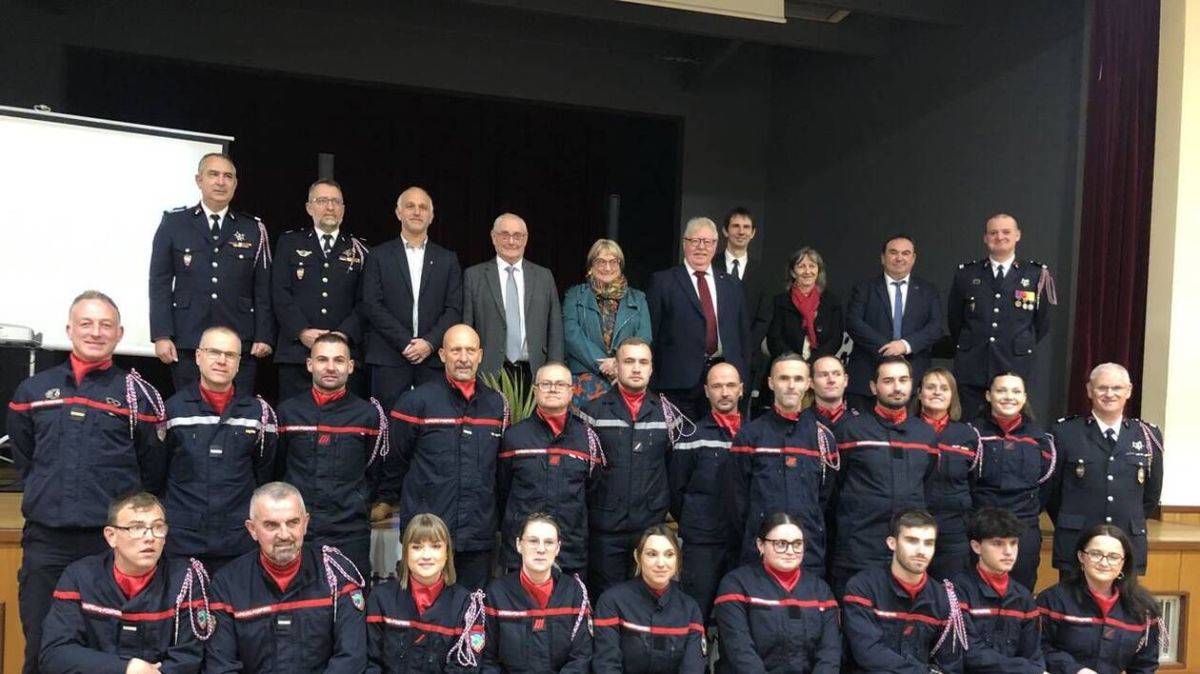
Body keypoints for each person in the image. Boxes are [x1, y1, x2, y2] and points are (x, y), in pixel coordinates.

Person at [8, 290, 166, 674]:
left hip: (109, 545)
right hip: (48, 544)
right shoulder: (32, 392)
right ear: (69, 329)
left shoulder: (139, 396)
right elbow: (25, 459)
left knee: (105, 650)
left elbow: (153, 470)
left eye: (105, 325)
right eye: (86, 323)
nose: (95, 332)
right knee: (44, 647)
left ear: (119, 333)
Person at [382, 324, 508, 591]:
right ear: (441, 355)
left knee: (472, 612)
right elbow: (396, 461)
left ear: (480, 355)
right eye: (456, 350)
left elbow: (500, 470)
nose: (463, 357)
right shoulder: (415, 402)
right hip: (428, 536)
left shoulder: (497, 405)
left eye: (470, 350)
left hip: (478, 534)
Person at [39, 492, 210, 674]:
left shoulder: (187, 579)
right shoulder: (79, 577)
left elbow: (190, 658)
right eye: (137, 528)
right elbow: (55, 654)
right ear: (111, 536)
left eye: (158, 527)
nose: (150, 537)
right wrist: (126, 668)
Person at [205, 482, 367, 673]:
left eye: (293, 523)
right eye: (271, 525)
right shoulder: (227, 584)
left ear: (305, 523)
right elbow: (221, 666)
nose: (284, 534)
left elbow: (351, 657)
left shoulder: (337, 573)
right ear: (252, 529)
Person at [149, 152, 274, 392]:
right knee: (189, 412)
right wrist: (162, 334)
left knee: (237, 414)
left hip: (239, 339)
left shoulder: (253, 228)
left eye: (228, 176)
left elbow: (262, 287)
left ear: (235, 184)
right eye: (213, 174)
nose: (221, 181)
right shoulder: (174, 223)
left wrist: (264, 335)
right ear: (199, 180)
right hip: (188, 337)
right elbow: (159, 283)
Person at [162, 326, 278, 573]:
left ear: (238, 363)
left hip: (238, 541)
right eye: (214, 352)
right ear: (198, 356)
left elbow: (264, 473)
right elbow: (156, 473)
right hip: (182, 541)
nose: (222, 361)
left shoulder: (259, 413)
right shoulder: (171, 410)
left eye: (230, 355)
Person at [578, 337, 684, 596]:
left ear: (651, 368)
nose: (636, 368)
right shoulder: (592, 412)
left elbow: (675, 471)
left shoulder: (668, 414)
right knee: (605, 598)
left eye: (643, 362)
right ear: (616, 366)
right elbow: (583, 474)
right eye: (629, 361)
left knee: (646, 598)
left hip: (649, 527)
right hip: (604, 528)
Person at [276, 332, 389, 578]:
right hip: (297, 531)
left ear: (350, 367)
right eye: (322, 359)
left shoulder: (368, 416)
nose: (330, 367)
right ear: (309, 364)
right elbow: (276, 469)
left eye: (338, 360)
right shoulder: (287, 413)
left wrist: (357, 503)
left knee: (352, 605)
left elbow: (375, 470)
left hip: (350, 531)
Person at [830, 356, 938, 596]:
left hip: (907, 552)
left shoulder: (925, 435)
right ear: (873, 386)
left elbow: (927, 486)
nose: (897, 387)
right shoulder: (850, 430)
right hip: (858, 548)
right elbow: (833, 488)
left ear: (912, 384)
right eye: (888, 381)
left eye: (903, 380)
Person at [728, 355, 838, 579]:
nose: (791, 385)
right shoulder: (749, 435)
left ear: (808, 384)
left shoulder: (822, 436)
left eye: (798, 379)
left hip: (809, 551)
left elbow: (827, 496)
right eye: (783, 378)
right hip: (759, 552)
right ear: (770, 383)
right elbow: (736, 500)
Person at [1049, 362, 1163, 576]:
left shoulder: (1147, 435)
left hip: (1125, 543)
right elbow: (1052, 493)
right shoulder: (1065, 433)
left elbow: (1151, 495)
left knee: (1121, 607)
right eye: (1102, 388)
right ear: (1090, 391)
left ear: (1128, 391)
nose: (1109, 394)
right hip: (1077, 541)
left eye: (1117, 388)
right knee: (1073, 605)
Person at [362, 186, 464, 411]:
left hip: (433, 360)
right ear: (399, 213)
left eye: (423, 207)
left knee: (433, 426)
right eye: (410, 206)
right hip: (389, 357)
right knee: (387, 427)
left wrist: (428, 343)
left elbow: (454, 308)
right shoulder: (378, 256)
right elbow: (371, 304)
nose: (417, 212)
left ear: (431, 216)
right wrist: (405, 343)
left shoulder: (447, 260)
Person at [948, 213, 1057, 419]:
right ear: (985, 238)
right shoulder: (967, 273)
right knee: (970, 428)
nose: (1000, 237)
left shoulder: (1035, 274)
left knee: (1012, 431)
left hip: (1014, 365)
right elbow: (955, 320)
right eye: (993, 232)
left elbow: (1042, 323)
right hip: (974, 365)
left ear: (1017, 235)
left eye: (1006, 232)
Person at [497, 362, 600, 577]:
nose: (553, 389)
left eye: (560, 384)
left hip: (570, 548)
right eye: (546, 384)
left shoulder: (587, 438)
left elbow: (594, 491)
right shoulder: (514, 437)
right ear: (535, 391)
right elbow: (501, 489)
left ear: (571, 391)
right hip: (522, 551)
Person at [272, 179, 370, 400]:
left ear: (343, 209)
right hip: (297, 352)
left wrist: (343, 335)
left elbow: (365, 301)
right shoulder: (289, 243)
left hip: (344, 354)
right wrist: (301, 331)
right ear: (309, 207)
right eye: (322, 200)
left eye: (336, 201)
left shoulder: (360, 249)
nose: (330, 207)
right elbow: (280, 293)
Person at [646, 216, 750, 420]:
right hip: (678, 382)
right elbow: (653, 335)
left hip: (724, 380)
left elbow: (743, 336)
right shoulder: (663, 282)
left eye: (708, 242)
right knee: (679, 444)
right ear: (685, 244)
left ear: (715, 245)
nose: (701, 247)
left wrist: (742, 376)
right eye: (695, 241)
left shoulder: (731, 284)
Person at [842, 509, 967, 674]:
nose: (921, 551)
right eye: (912, 541)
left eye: (928, 543)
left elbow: (951, 664)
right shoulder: (862, 588)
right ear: (892, 543)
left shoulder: (944, 598)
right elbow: (868, 653)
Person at [713, 513, 841, 673]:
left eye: (797, 544)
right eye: (780, 544)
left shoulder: (821, 591)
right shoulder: (736, 586)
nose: (790, 551)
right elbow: (740, 651)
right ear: (760, 545)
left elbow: (830, 652)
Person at [668, 362, 743, 622]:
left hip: (743, 543)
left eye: (731, 385)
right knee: (695, 614)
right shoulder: (690, 437)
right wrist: (695, 519)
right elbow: (676, 491)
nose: (724, 392)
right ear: (707, 391)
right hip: (702, 544)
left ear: (741, 390)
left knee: (738, 618)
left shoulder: (755, 435)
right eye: (717, 386)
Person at [367, 513, 487, 674]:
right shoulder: (380, 599)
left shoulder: (467, 605)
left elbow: (464, 667)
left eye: (436, 546)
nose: (426, 556)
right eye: (416, 547)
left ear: (447, 553)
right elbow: (369, 662)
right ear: (405, 553)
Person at [1037, 524, 1164, 674]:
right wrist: (1075, 670)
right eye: (1096, 554)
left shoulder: (1144, 608)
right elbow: (1037, 648)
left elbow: (1145, 666)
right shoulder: (1052, 600)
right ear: (1081, 557)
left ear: (1123, 562)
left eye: (1113, 557)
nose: (1104, 563)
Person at [972, 372, 1055, 591]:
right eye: (1001, 391)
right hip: (981, 524)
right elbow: (966, 481)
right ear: (989, 396)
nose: (1009, 397)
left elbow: (1046, 486)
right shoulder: (971, 433)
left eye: (1016, 391)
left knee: (1021, 592)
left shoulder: (1041, 439)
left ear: (1025, 397)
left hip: (1024, 528)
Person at [482, 513, 593, 673]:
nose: (541, 549)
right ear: (519, 545)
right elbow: (488, 660)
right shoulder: (496, 594)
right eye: (533, 541)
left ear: (558, 548)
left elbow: (582, 657)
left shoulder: (575, 593)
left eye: (549, 542)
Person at [845, 235, 944, 413]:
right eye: (893, 252)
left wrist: (905, 345)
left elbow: (935, 327)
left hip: (913, 380)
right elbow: (853, 322)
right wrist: (887, 347)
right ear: (883, 258)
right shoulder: (864, 289)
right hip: (867, 377)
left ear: (913, 259)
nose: (899, 258)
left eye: (906, 253)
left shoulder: (928, 291)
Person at [463, 212, 563, 383]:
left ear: (525, 240)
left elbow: (555, 329)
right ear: (493, 237)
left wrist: (555, 371)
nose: (511, 241)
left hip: (535, 372)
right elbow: (466, 327)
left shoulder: (544, 276)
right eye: (505, 235)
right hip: (488, 372)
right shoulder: (474, 276)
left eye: (517, 236)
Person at [592, 525, 706, 673]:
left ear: (678, 560)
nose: (661, 563)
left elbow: (692, 669)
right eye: (652, 554)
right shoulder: (612, 602)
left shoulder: (690, 608)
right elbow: (606, 666)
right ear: (637, 557)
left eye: (669, 554)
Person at [951, 508, 1046, 674]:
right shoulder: (956, 590)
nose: (1008, 552)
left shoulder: (1023, 597)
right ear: (976, 546)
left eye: (1013, 543)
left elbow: (1034, 656)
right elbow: (969, 653)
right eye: (997, 543)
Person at [562, 238, 652, 408]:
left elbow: (644, 337)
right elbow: (571, 334)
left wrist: (619, 363)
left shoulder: (639, 299)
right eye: (601, 261)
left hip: (626, 376)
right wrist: (603, 363)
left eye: (613, 261)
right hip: (584, 378)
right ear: (591, 265)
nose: (608, 267)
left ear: (620, 264)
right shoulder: (574, 295)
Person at [912, 367, 978, 580]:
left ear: (953, 396)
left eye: (944, 388)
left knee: (951, 592)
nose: (937, 393)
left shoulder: (968, 435)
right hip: (914, 522)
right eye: (931, 387)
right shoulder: (907, 430)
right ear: (920, 393)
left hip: (954, 530)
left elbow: (975, 482)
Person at [720, 207, 774, 417]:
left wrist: (741, 348)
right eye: (735, 226)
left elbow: (764, 317)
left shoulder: (763, 273)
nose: (741, 232)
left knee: (740, 414)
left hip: (747, 358)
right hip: (711, 356)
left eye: (746, 227)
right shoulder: (709, 266)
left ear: (753, 233)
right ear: (725, 231)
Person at [767, 247, 844, 364]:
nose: (807, 271)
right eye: (801, 266)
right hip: (788, 365)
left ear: (818, 271)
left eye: (812, 266)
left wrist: (814, 362)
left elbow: (835, 339)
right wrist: (796, 362)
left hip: (820, 366)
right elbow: (774, 339)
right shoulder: (780, 302)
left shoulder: (831, 302)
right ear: (793, 272)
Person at [809, 354, 858, 431]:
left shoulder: (863, 423)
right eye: (823, 375)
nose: (831, 380)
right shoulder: (799, 424)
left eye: (837, 374)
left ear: (845, 380)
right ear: (811, 383)